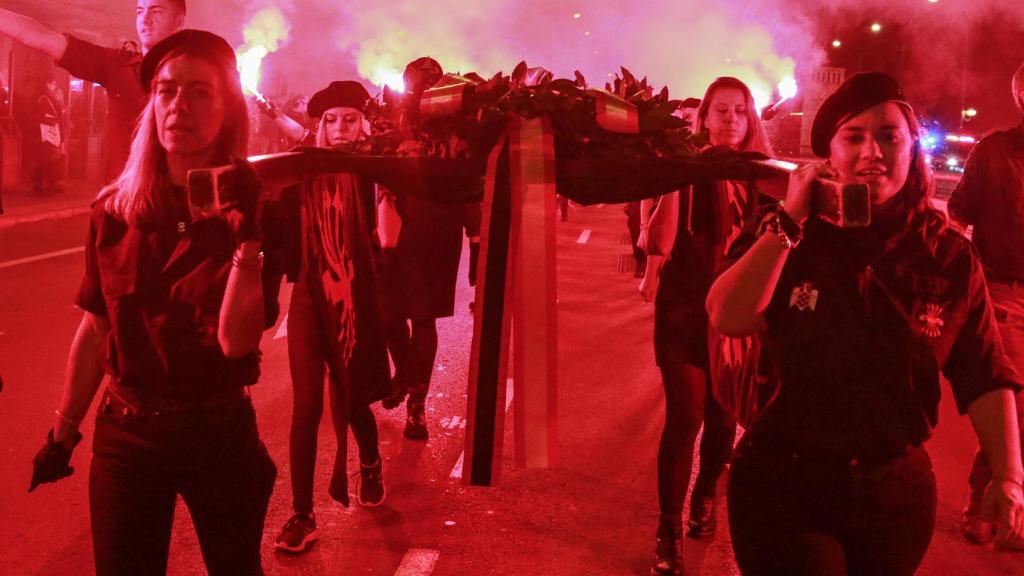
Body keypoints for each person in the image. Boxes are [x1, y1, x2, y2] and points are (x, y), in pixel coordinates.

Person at [706, 72, 1024, 575]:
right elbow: (728, 313)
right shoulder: (791, 233)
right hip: (786, 482)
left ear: (912, 147)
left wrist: (1010, 475)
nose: (871, 151)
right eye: (853, 137)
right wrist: (789, 222)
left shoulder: (947, 256)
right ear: (829, 153)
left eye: (888, 136)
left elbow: (984, 371)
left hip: (893, 495)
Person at [27, 30, 278, 575]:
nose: (178, 106)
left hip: (218, 433)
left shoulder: (254, 209)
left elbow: (238, 342)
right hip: (129, 436)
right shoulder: (114, 210)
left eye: (198, 92)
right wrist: (63, 432)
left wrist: (250, 241)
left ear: (227, 106)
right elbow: (97, 328)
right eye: (166, 91)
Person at [642, 77, 774, 575]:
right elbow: (659, 242)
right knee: (686, 416)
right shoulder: (687, 167)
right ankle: (668, 527)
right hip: (684, 310)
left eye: (740, 111)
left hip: (738, 318)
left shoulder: (763, 175)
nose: (731, 120)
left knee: (723, 418)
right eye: (721, 110)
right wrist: (674, 178)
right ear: (703, 117)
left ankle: (704, 498)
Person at [270, 80, 392, 553]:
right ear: (319, 126)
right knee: (307, 406)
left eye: (349, 118)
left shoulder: (375, 168)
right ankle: (302, 515)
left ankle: (370, 460)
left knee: (351, 396)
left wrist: (387, 194)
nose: (340, 129)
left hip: (353, 296)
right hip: (307, 297)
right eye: (330, 120)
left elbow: (390, 238)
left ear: (363, 122)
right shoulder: (301, 170)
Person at [377, 57, 481, 440]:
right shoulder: (389, 118)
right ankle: (405, 373)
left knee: (423, 318)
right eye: (414, 82)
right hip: (394, 225)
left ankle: (416, 404)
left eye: (426, 82)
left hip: (438, 227)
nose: (419, 88)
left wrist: (477, 239)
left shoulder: (455, 125)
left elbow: (465, 179)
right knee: (388, 313)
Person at [947, 60, 1024, 548]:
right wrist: (967, 281)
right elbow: (956, 215)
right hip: (1004, 293)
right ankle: (984, 497)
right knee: (1008, 402)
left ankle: (1009, 505)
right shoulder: (994, 152)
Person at [0, 1, 186, 179]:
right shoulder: (117, 66)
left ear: (179, 21)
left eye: (156, 11)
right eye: (139, 11)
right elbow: (42, 36)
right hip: (120, 199)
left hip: (171, 202)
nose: (145, 19)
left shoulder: (196, 78)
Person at [34, 76, 67, 194]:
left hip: (52, 133)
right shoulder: (45, 98)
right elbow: (43, 115)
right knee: (47, 158)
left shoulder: (50, 98)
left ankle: (48, 182)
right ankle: (43, 183)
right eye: (53, 83)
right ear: (47, 84)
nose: (55, 86)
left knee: (52, 158)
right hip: (48, 134)